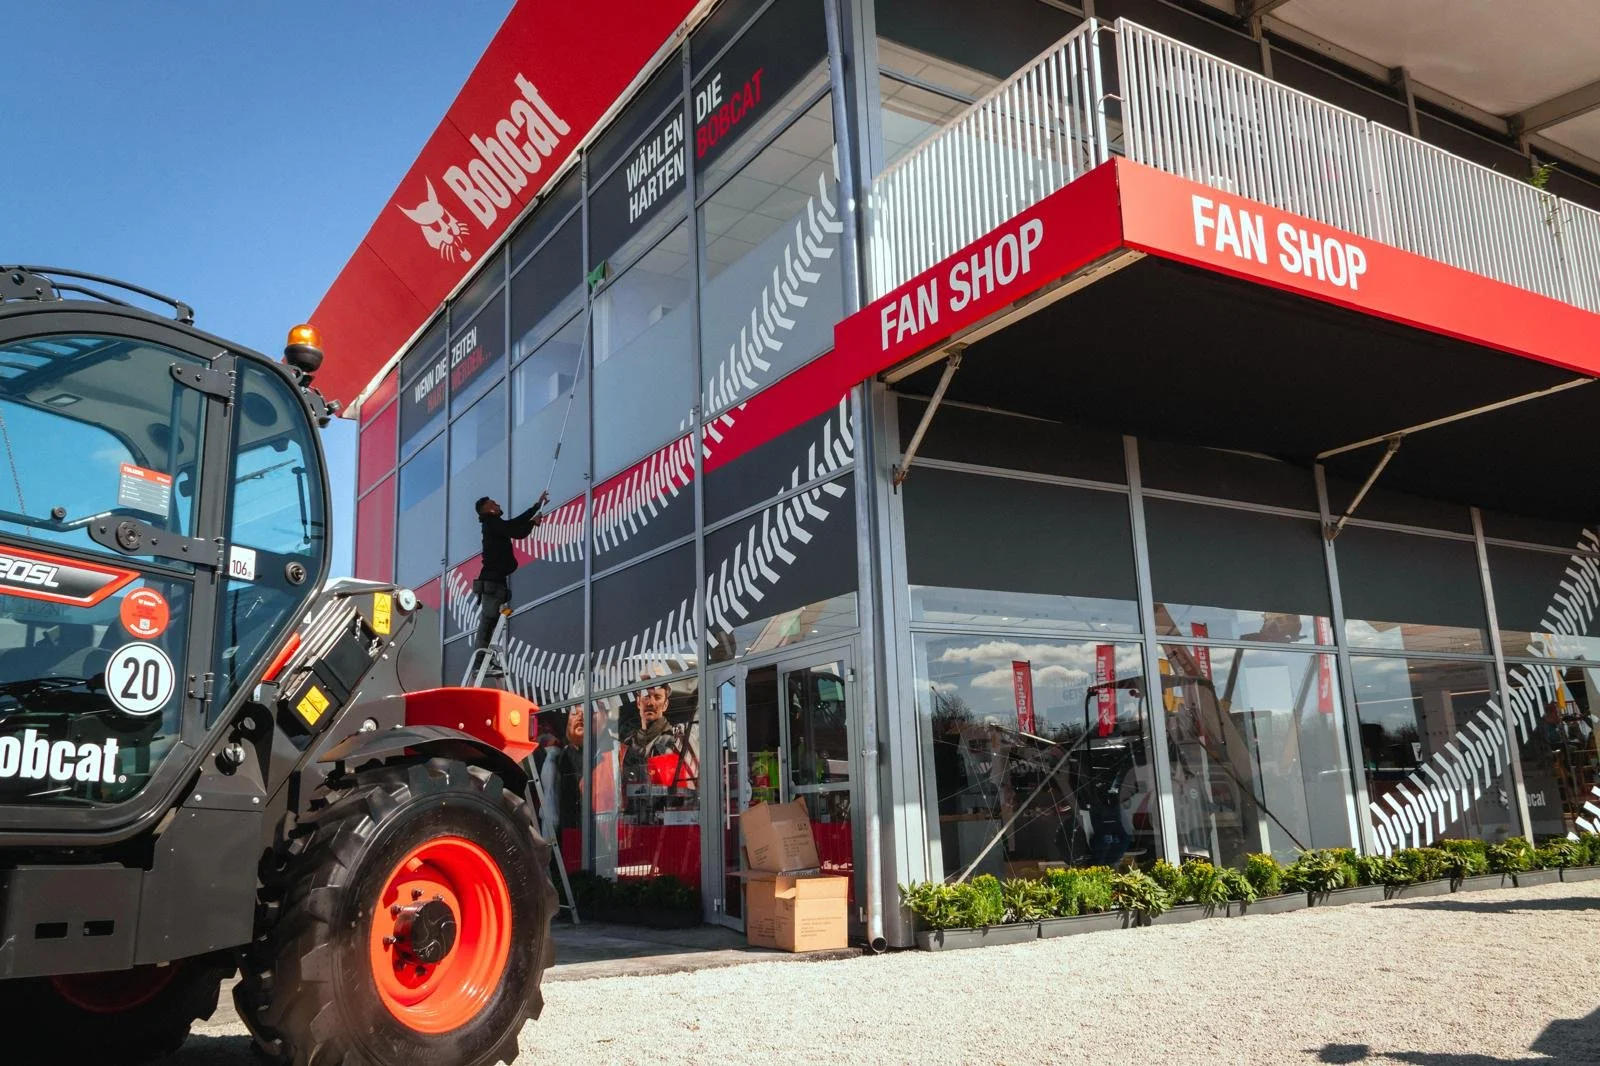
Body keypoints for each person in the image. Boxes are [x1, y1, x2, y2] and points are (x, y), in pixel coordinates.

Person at [473, 492, 548, 664]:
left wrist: (535, 508)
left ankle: (483, 657)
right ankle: (480, 658)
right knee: (489, 620)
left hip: (495, 582)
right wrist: (532, 522)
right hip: (492, 582)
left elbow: (513, 524)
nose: (498, 504)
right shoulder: (491, 523)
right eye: (494, 502)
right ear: (488, 509)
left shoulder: (493, 524)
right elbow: (515, 530)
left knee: (491, 621)